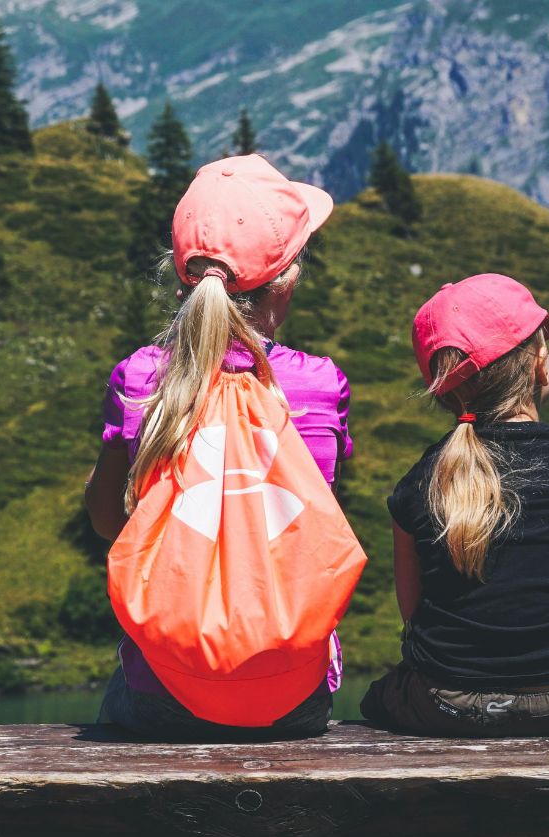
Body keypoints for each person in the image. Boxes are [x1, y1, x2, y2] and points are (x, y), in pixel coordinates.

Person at [84, 154, 354, 743]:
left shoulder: (139, 379)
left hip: (163, 697)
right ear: (287, 280)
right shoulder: (319, 386)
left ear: (183, 274)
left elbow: (108, 523)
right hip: (295, 700)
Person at [361, 274, 549, 736]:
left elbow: (413, 611)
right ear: (539, 364)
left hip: (447, 705)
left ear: (443, 389)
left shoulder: (421, 478)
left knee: (379, 696)